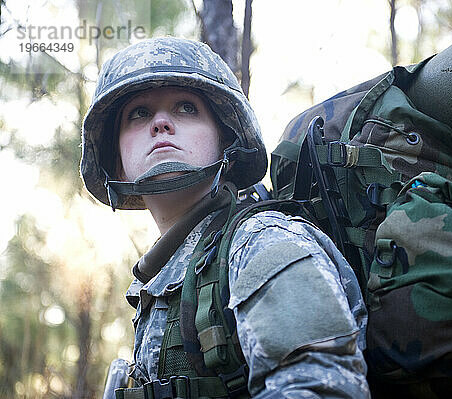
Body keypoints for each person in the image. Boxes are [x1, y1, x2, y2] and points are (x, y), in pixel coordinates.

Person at [80, 37, 370, 399]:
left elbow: (323, 390)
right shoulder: (164, 277)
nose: (161, 123)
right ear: (117, 159)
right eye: (139, 113)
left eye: (186, 108)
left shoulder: (261, 242)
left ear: (226, 145)